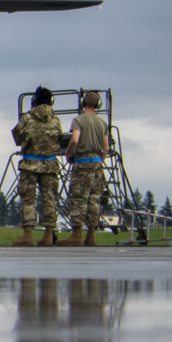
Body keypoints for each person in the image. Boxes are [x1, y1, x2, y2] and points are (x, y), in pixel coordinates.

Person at [11, 86, 65, 246]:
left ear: (34, 101)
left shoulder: (27, 118)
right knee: (49, 198)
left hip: (30, 164)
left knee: (28, 199)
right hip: (50, 164)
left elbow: (17, 138)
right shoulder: (56, 120)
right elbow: (60, 137)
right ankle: (48, 235)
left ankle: (27, 235)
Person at [65, 90, 112, 246]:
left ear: (83, 103)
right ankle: (91, 235)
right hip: (97, 165)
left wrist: (68, 153)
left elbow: (75, 139)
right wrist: (101, 161)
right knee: (94, 200)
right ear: (98, 105)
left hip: (82, 164)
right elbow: (106, 146)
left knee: (78, 199)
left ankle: (77, 235)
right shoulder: (103, 123)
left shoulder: (78, 120)